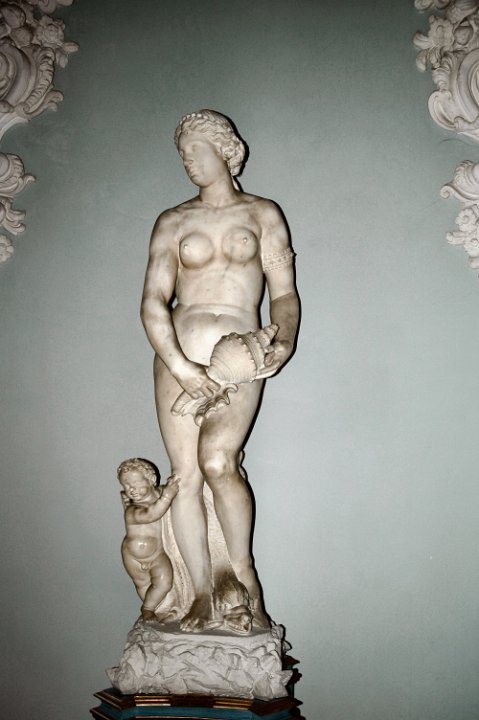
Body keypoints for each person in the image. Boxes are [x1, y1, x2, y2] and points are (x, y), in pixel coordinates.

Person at [141, 110, 299, 632]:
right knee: (185, 475)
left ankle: (242, 573)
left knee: (217, 460)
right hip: (178, 353)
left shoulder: (262, 213)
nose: (189, 161)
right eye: (183, 153)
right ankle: (202, 593)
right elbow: (153, 302)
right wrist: (181, 367)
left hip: (241, 356)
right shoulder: (172, 221)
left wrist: (283, 341)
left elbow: (284, 295)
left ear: (226, 150)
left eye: (197, 150)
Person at [117, 458, 180, 621]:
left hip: (157, 554)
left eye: (135, 483)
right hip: (134, 558)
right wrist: (167, 497)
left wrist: (171, 487)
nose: (131, 489)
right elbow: (152, 514)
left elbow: (172, 489)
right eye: (126, 485)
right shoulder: (132, 510)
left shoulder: (159, 493)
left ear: (151, 479)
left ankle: (151, 607)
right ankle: (150, 609)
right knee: (142, 583)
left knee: (164, 582)